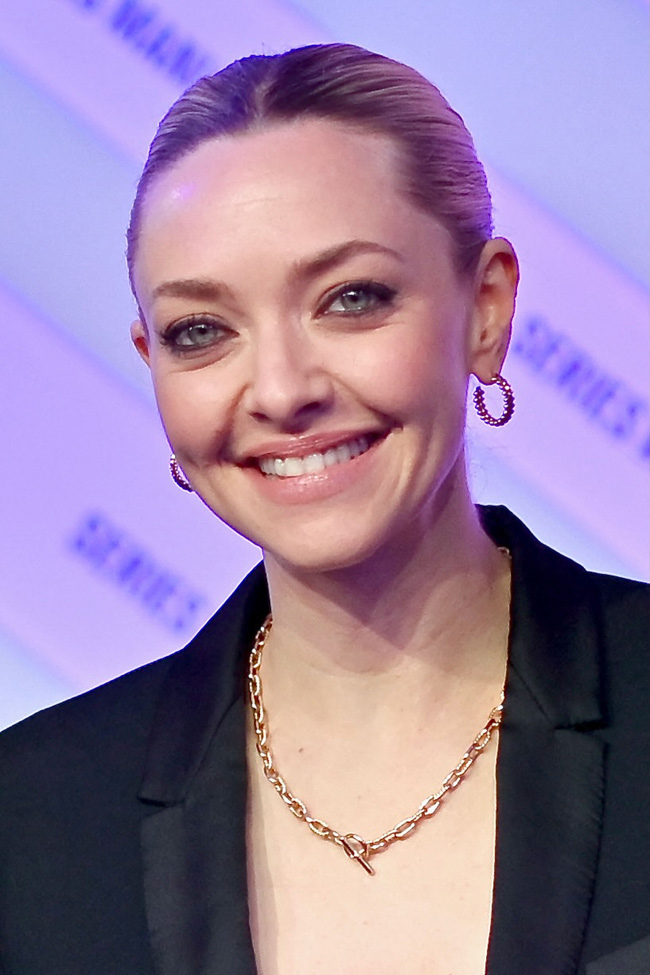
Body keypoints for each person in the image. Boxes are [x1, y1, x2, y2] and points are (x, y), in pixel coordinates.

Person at [0, 43, 647, 975]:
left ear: (486, 308)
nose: (280, 389)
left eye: (351, 299)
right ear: (153, 365)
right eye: (201, 331)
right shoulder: (34, 820)